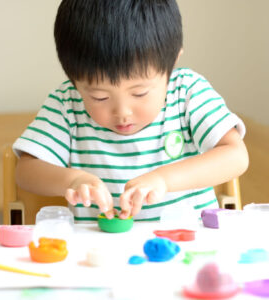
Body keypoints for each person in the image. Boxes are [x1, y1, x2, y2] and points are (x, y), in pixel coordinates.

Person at [13, 0, 249, 222]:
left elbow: (235, 155)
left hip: (187, 248)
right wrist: (74, 180)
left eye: (140, 93)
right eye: (100, 97)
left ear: (172, 64)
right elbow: (26, 170)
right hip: (97, 252)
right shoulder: (67, 103)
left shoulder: (187, 93)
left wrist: (164, 180)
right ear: (73, 79)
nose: (122, 112)